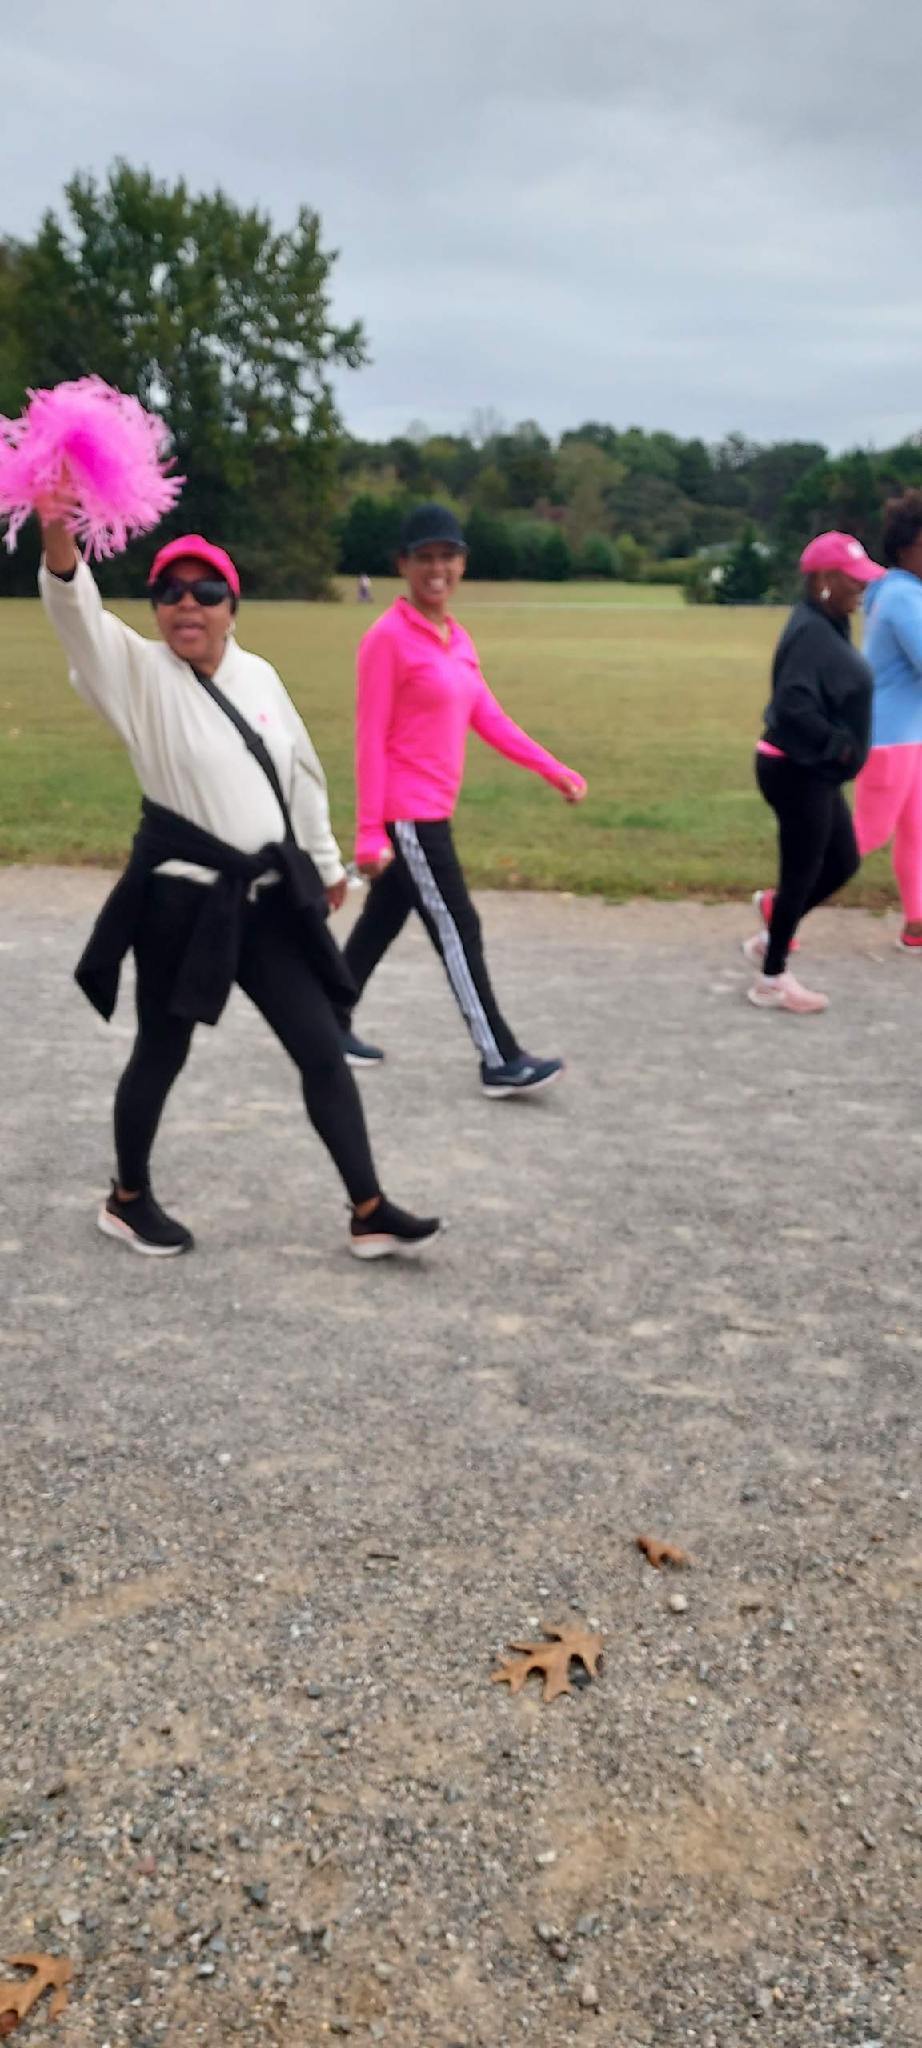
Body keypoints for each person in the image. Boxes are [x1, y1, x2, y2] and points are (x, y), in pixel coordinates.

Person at [37, 514, 441, 1261]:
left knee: (321, 1047)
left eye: (207, 591)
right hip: (182, 904)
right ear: (155, 608)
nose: (188, 604)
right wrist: (58, 531)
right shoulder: (136, 675)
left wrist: (324, 864)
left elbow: (300, 771)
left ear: (232, 606)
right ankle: (127, 1199)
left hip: (267, 900)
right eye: (170, 592)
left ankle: (369, 1209)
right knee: (162, 1050)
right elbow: (74, 609)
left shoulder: (259, 675)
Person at [343, 503, 588, 1094]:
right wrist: (369, 831)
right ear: (402, 565)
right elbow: (370, 738)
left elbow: (488, 717)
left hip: (430, 810)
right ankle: (498, 1056)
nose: (437, 569)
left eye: (447, 557)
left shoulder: (454, 639)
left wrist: (552, 769)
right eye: (424, 558)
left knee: (381, 921)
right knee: (459, 927)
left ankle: (325, 1020)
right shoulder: (387, 639)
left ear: (462, 564)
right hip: (409, 815)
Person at [744, 530, 883, 1013]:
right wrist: (838, 747)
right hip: (796, 771)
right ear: (824, 578)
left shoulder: (826, 622)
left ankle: (772, 932)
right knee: (801, 873)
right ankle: (771, 978)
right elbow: (792, 705)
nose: (862, 587)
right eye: (854, 579)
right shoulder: (810, 631)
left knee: (842, 862)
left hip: (813, 772)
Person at [853, 489, 922, 950]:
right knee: (868, 833)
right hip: (888, 738)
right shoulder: (901, 596)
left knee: (917, 830)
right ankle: (782, 904)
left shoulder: (905, 592)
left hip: (909, 735)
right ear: (908, 546)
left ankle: (917, 924)